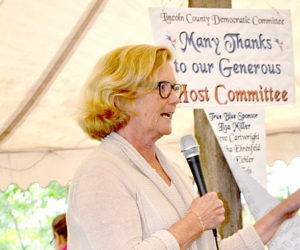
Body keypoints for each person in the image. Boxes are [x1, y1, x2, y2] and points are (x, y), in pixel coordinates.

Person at [67, 44, 300, 249]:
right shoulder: (100, 172)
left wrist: (284, 210)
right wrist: (194, 223)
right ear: (121, 99)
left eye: (175, 88)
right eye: (163, 88)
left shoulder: (170, 167)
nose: (176, 99)